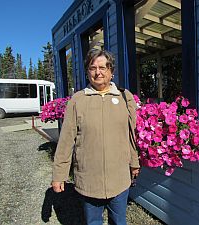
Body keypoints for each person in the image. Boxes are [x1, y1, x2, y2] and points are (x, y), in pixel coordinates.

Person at [51, 49, 140, 225]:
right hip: (89, 179)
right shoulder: (77, 100)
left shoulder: (125, 97)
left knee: (119, 221)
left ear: (111, 72)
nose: (97, 72)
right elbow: (66, 140)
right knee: (92, 222)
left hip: (119, 179)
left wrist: (134, 163)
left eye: (102, 67)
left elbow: (131, 135)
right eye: (92, 68)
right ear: (87, 72)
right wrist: (59, 175)